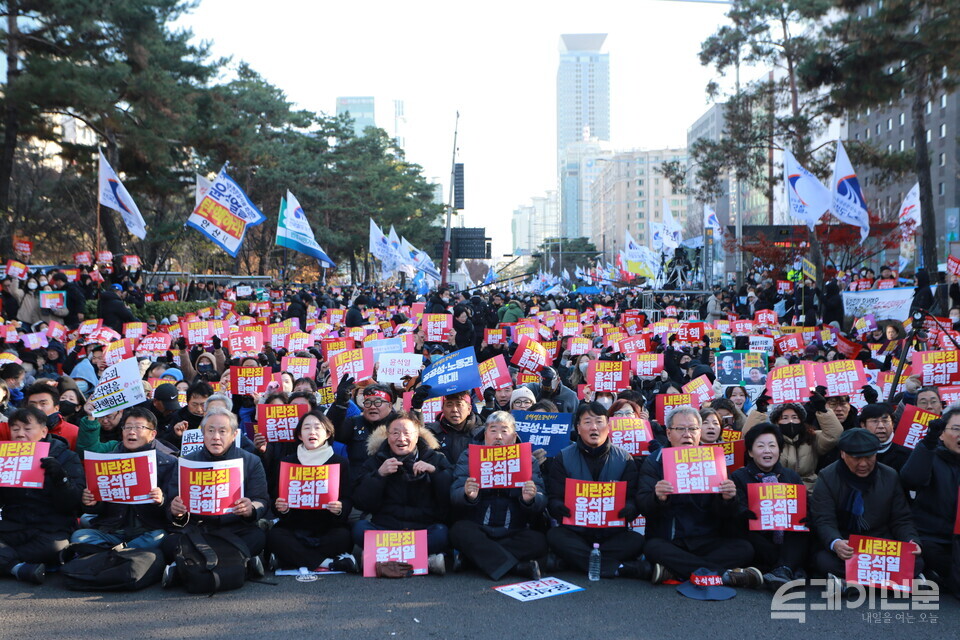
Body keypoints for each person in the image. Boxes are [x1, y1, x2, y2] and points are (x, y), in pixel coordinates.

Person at [638, 406, 760, 587]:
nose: (687, 434)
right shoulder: (655, 461)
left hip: (707, 540)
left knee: (745, 549)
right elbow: (643, 504)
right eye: (681, 429)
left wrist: (727, 499)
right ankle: (724, 575)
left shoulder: (714, 459)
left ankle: (676, 570)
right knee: (652, 548)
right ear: (669, 433)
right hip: (672, 541)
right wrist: (658, 498)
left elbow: (725, 513)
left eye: (693, 429)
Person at [162, 407, 270, 587]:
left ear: (234, 434)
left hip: (235, 529)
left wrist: (251, 508)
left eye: (222, 431)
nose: (216, 437)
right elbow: (172, 504)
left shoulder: (251, 461)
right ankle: (243, 564)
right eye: (210, 431)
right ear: (202, 433)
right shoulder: (187, 461)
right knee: (169, 543)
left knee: (258, 537)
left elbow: (262, 500)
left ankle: (184, 568)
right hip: (198, 529)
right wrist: (175, 510)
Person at [809, 428, 922, 591]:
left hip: (880, 545)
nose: (863, 464)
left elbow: (901, 518)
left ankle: (855, 581)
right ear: (843, 454)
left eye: (869, 457)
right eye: (856, 458)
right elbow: (823, 519)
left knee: (917, 560)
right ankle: (888, 580)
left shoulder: (890, 475)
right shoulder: (827, 476)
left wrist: (911, 541)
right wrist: (836, 542)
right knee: (823, 560)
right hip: (847, 543)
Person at [546, 402, 646, 579]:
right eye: (587, 422)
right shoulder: (564, 457)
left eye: (599, 422)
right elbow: (553, 496)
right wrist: (558, 507)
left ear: (608, 426)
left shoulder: (625, 459)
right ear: (578, 428)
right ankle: (618, 568)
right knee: (555, 536)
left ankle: (572, 563)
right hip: (576, 532)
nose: (594, 427)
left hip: (612, 534)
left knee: (636, 540)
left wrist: (629, 509)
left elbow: (632, 497)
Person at [449, 412, 547, 580]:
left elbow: (541, 498)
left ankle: (474, 559)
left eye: (505, 431)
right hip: (479, 527)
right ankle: (517, 567)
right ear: (485, 434)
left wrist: (530, 499)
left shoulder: (528, 461)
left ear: (514, 436)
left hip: (514, 530)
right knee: (458, 531)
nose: (499, 437)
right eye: (493, 431)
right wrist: (468, 495)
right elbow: (454, 493)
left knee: (539, 541)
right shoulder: (470, 456)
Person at [352, 412, 453, 575]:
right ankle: (425, 561)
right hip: (386, 530)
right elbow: (361, 501)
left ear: (417, 434)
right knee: (359, 528)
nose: (401, 438)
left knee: (442, 533)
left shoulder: (435, 458)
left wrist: (435, 473)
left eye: (407, 433)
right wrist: (379, 475)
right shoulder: (376, 460)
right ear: (387, 434)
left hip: (421, 529)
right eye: (395, 433)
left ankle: (376, 559)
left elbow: (448, 498)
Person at [70, 408, 177, 550]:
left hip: (146, 531)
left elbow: (173, 513)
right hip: (114, 529)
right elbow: (100, 508)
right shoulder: (108, 460)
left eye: (139, 427)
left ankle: (113, 553)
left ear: (152, 434)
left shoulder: (168, 462)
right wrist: (91, 502)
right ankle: (123, 552)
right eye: (128, 427)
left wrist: (161, 500)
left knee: (159, 537)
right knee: (79, 536)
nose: (131, 432)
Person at [0, 407, 85, 584]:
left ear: (44, 431)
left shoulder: (66, 457)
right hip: (12, 526)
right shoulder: (5, 457)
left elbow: (75, 504)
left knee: (56, 548)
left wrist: (61, 478)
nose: (20, 434)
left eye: (27, 429)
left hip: (50, 530)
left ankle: (8, 561)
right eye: (15, 429)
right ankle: (18, 568)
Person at [267, 411, 356, 572]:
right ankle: (328, 563)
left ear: (328, 433)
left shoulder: (339, 462)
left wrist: (340, 507)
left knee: (343, 537)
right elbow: (275, 499)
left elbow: (348, 497)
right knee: (275, 536)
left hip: (327, 526)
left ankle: (292, 559)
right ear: (300, 435)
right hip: (294, 526)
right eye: (307, 428)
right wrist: (281, 507)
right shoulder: (287, 462)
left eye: (317, 428)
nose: (312, 432)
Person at [730, 422, 807, 588]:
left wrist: (804, 516)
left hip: (786, 535)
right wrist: (749, 513)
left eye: (772, 446)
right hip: (758, 535)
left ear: (779, 450)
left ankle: (780, 570)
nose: (767, 450)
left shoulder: (791, 476)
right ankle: (785, 569)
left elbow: (804, 507)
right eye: (760, 446)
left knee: (803, 531)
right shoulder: (738, 476)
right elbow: (736, 510)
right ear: (750, 452)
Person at [900, 412, 960, 596]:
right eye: (956, 429)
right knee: (933, 555)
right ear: (941, 433)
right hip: (934, 536)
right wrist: (928, 442)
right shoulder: (930, 455)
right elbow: (910, 478)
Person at [743, 394, 842, 491]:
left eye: (795, 417)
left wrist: (823, 410)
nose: (790, 421)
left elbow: (834, 435)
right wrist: (759, 411)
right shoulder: (771, 440)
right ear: (777, 421)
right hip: (776, 491)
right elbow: (748, 437)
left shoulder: (812, 437)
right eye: (785, 418)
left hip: (808, 490)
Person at [328, 382, 397, 481]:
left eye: (378, 402)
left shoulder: (399, 425)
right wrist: (340, 405)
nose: (372, 406)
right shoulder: (354, 423)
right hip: (358, 485)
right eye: (368, 402)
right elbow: (331, 432)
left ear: (390, 406)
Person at [426, 390, 484, 465]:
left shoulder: (482, 434)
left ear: (469, 409)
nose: (454, 410)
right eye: (449, 405)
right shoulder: (432, 432)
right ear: (442, 409)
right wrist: (417, 410)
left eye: (459, 405)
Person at [23, 383, 79, 450]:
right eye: (33, 405)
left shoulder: (74, 432)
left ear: (56, 408)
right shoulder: (19, 431)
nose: (37, 408)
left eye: (43, 404)